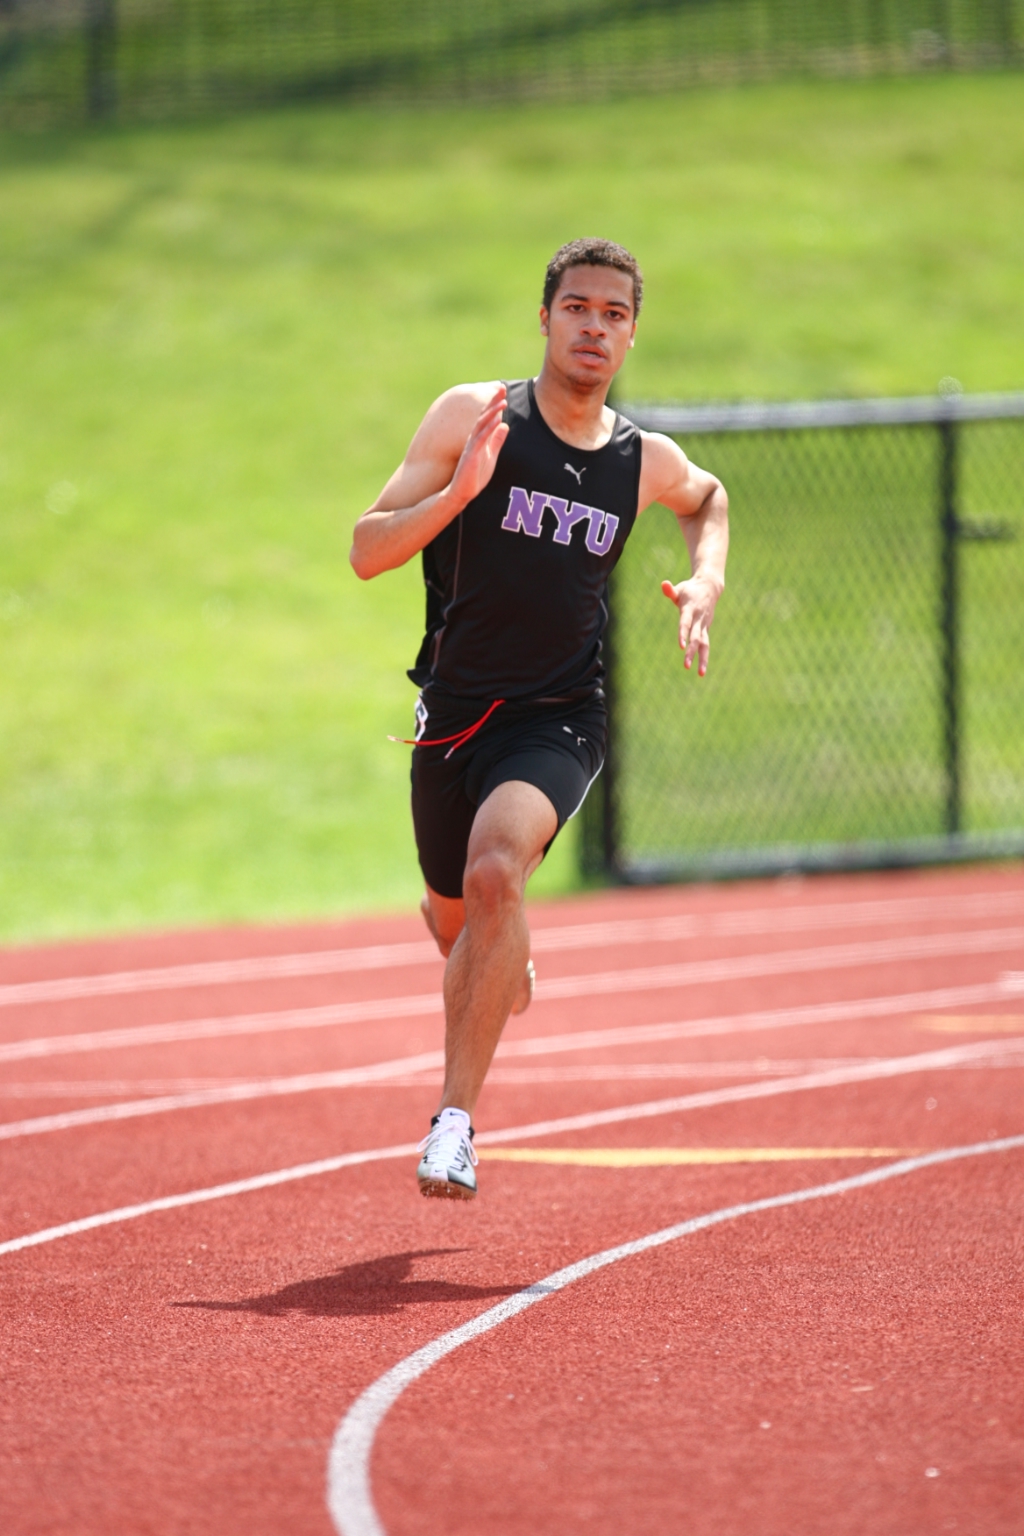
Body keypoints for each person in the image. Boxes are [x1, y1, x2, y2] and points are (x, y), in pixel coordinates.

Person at [350, 237, 729, 1200]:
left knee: (494, 872)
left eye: (614, 314)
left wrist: (707, 579)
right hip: (453, 716)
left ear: (632, 333)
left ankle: (454, 1125)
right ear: (546, 319)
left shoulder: (644, 459)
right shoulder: (473, 415)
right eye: (578, 308)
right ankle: (495, 940)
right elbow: (365, 551)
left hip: (559, 718)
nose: (594, 328)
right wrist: (459, 493)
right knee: (456, 919)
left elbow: (708, 498)